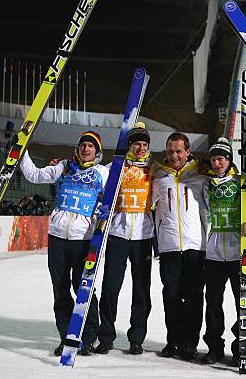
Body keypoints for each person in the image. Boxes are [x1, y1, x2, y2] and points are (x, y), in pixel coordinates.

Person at [20, 130, 109, 357]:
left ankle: (88, 338)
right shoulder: (64, 166)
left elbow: (115, 199)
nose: (86, 149)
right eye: (83, 145)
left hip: (84, 239)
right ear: (78, 148)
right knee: (60, 289)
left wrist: (104, 211)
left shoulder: (102, 173)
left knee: (84, 288)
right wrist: (21, 150)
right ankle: (66, 337)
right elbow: (34, 175)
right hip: (58, 237)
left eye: (91, 146)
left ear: (97, 152)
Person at [94, 123, 155, 355]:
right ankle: (106, 337)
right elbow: (94, 176)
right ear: (129, 145)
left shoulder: (153, 168)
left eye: (144, 144)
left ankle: (136, 338)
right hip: (118, 234)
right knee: (111, 287)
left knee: (141, 289)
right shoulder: (115, 167)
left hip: (143, 236)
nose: (141, 148)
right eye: (137, 143)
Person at [152, 132, 208, 360]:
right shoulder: (158, 178)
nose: (174, 155)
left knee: (194, 297)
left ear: (187, 152)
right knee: (172, 296)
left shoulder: (200, 177)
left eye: (178, 151)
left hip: (196, 246)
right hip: (169, 247)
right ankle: (173, 341)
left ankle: (189, 343)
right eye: (170, 151)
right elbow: (145, 202)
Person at [201, 138, 241, 366]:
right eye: (214, 159)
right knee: (213, 303)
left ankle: (240, 346)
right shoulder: (206, 184)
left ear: (229, 160)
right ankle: (214, 347)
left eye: (221, 159)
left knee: (241, 303)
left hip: (237, 254)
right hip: (214, 253)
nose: (217, 163)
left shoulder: (240, 182)